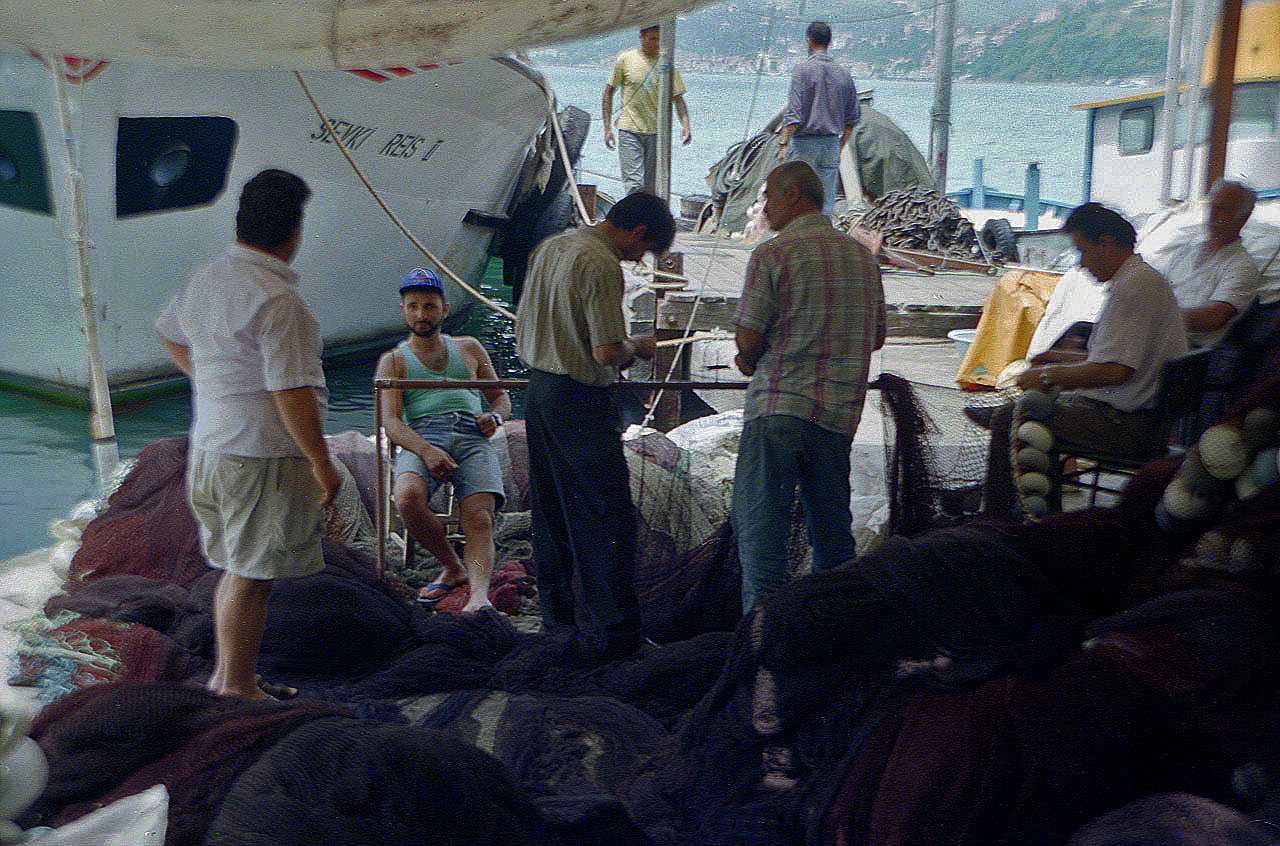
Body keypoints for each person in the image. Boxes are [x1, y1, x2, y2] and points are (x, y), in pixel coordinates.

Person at [155, 169, 341, 701]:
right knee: (250, 575)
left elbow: (168, 333)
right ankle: (236, 686)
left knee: (237, 569)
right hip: (260, 459)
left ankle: (230, 676)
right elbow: (291, 392)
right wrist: (322, 463)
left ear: (241, 222)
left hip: (210, 450)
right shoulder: (279, 302)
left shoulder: (204, 276)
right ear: (295, 231)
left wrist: (216, 384)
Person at [515, 191, 675, 658]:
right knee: (607, 516)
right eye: (644, 250)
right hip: (579, 401)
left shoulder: (552, 245)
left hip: (539, 393)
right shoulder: (601, 263)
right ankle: (617, 636)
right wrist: (637, 347)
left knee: (551, 511)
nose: (639, 259)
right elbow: (606, 352)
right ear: (638, 230)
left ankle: (558, 623)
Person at [732, 161, 886, 611]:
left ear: (794, 194)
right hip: (836, 416)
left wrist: (748, 358)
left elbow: (747, 338)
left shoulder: (772, 253)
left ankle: (762, 638)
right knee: (833, 539)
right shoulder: (863, 258)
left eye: (768, 196)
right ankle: (832, 631)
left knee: (762, 539)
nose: (764, 207)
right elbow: (876, 336)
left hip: (778, 410)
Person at [977, 202, 1189, 520]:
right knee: (1030, 408)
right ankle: (1040, 512)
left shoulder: (1135, 287)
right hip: (1139, 416)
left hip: (1128, 427)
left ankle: (999, 519)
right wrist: (1056, 357)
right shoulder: (1141, 279)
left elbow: (1115, 371)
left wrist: (1048, 375)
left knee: (1009, 419)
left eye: (1083, 251)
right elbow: (1115, 357)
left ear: (1106, 243)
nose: (1082, 264)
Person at [374, 268, 511, 613]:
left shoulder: (469, 347)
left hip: (472, 434)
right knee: (406, 497)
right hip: (422, 435)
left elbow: (500, 398)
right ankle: (452, 565)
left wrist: (494, 418)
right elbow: (390, 421)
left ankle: (478, 597)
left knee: (479, 517)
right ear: (403, 310)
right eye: (413, 306)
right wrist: (426, 450)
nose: (421, 314)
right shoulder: (393, 361)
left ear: (445, 309)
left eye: (430, 306)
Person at [776, 21, 862, 217]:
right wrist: (840, 144)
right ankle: (823, 233)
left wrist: (783, 144)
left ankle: (800, 235)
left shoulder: (802, 70)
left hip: (804, 144)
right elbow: (852, 118)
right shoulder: (844, 74)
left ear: (810, 40)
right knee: (826, 201)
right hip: (831, 144)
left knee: (798, 200)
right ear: (829, 42)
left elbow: (794, 114)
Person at [1168, 179, 1262, 348]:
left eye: (1221, 209)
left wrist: (1158, 316)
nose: (1211, 214)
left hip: (1187, 348)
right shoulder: (1187, 250)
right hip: (1158, 334)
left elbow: (1212, 318)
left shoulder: (1241, 266)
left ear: (1242, 218)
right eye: (1211, 206)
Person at [602, 24, 692, 195]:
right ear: (642, 37)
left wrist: (686, 126)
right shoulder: (625, 59)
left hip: (657, 133)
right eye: (652, 39)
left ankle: (648, 212)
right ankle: (635, 211)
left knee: (652, 186)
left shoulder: (667, 64)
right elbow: (608, 92)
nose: (656, 43)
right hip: (629, 130)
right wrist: (607, 129)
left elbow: (678, 99)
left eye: (659, 39)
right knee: (634, 184)